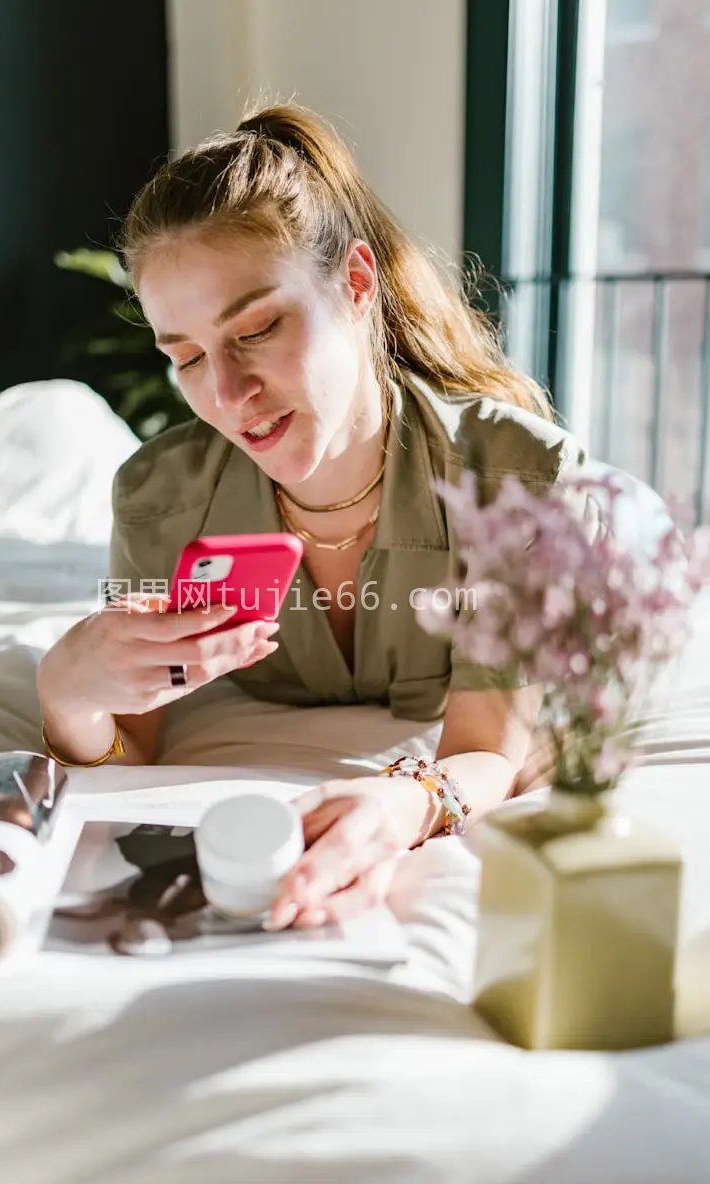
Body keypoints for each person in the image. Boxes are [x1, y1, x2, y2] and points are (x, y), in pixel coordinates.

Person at [37, 100, 590, 932]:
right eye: (183, 356)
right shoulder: (158, 496)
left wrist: (406, 804)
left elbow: (489, 747)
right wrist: (67, 697)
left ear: (356, 284)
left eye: (255, 329)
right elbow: (132, 745)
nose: (225, 395)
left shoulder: (519, 479)